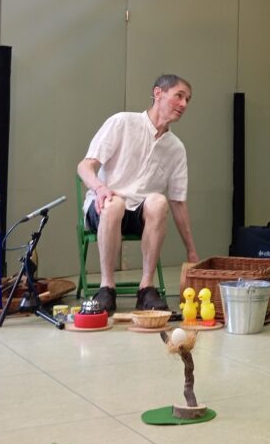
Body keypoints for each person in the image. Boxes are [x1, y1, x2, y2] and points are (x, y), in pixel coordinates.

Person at [77, 74, 200, 313]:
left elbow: (178, 202)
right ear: (158, 93)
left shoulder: (176, 148)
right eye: (179, 96)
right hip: (104, 208)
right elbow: (85, 166)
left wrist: (191, 251)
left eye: (188, 99)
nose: (184, 104)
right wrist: (100, 188)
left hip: (139, 215)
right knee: (114, 204)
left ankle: (146, 289)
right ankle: (106, 288)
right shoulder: (122, 122)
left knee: (159, 201)